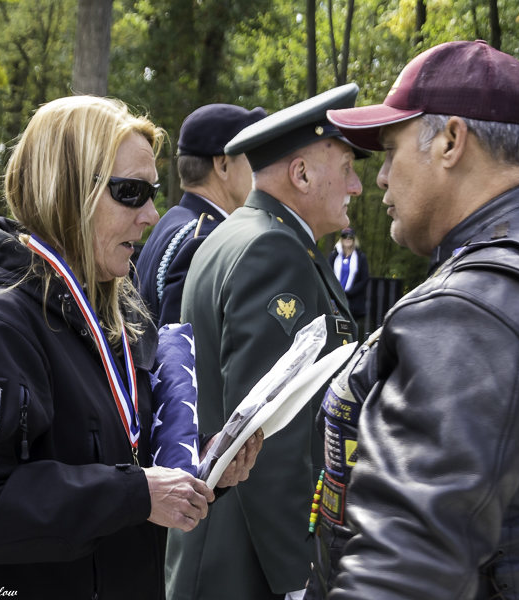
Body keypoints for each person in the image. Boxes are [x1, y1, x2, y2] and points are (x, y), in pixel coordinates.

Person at [307, 40, 519, 599]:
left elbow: (404, 568)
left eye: (392, 149)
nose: (379, 179)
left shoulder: (480, 302)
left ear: (450, 141)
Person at [0, 96, 260, 599]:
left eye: (152, 192)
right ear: (67, 190)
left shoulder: (111, 314)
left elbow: (116, 451)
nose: (151, 213)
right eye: (131, 192)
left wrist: (202, 464)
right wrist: (133, 494)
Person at [164, 84, 368, 600]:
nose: (358, 186)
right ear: (300, 174)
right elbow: (268, 435)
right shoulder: (273, 250)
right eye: (346, 167)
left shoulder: (243, 233)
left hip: (222, 548)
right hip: (245, 565)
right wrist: (298, 577)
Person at [135, 104, 266, 327]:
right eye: (252, 159)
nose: (259, 171)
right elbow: (185, 354)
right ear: (223, 165)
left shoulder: (175, 220)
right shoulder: (205, 241)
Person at [327, 227, 369, 329]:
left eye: (350, 236)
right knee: (334, 328)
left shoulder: (360, 257)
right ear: (341, 239)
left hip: (353, 302)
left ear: (354, 239)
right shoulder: (334, 256)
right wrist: (335, 292)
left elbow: (364, 279)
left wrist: (349, 293)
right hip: (335, 300)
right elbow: (327, 275)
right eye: (344, 236)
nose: (347, 239)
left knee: (350, 330)